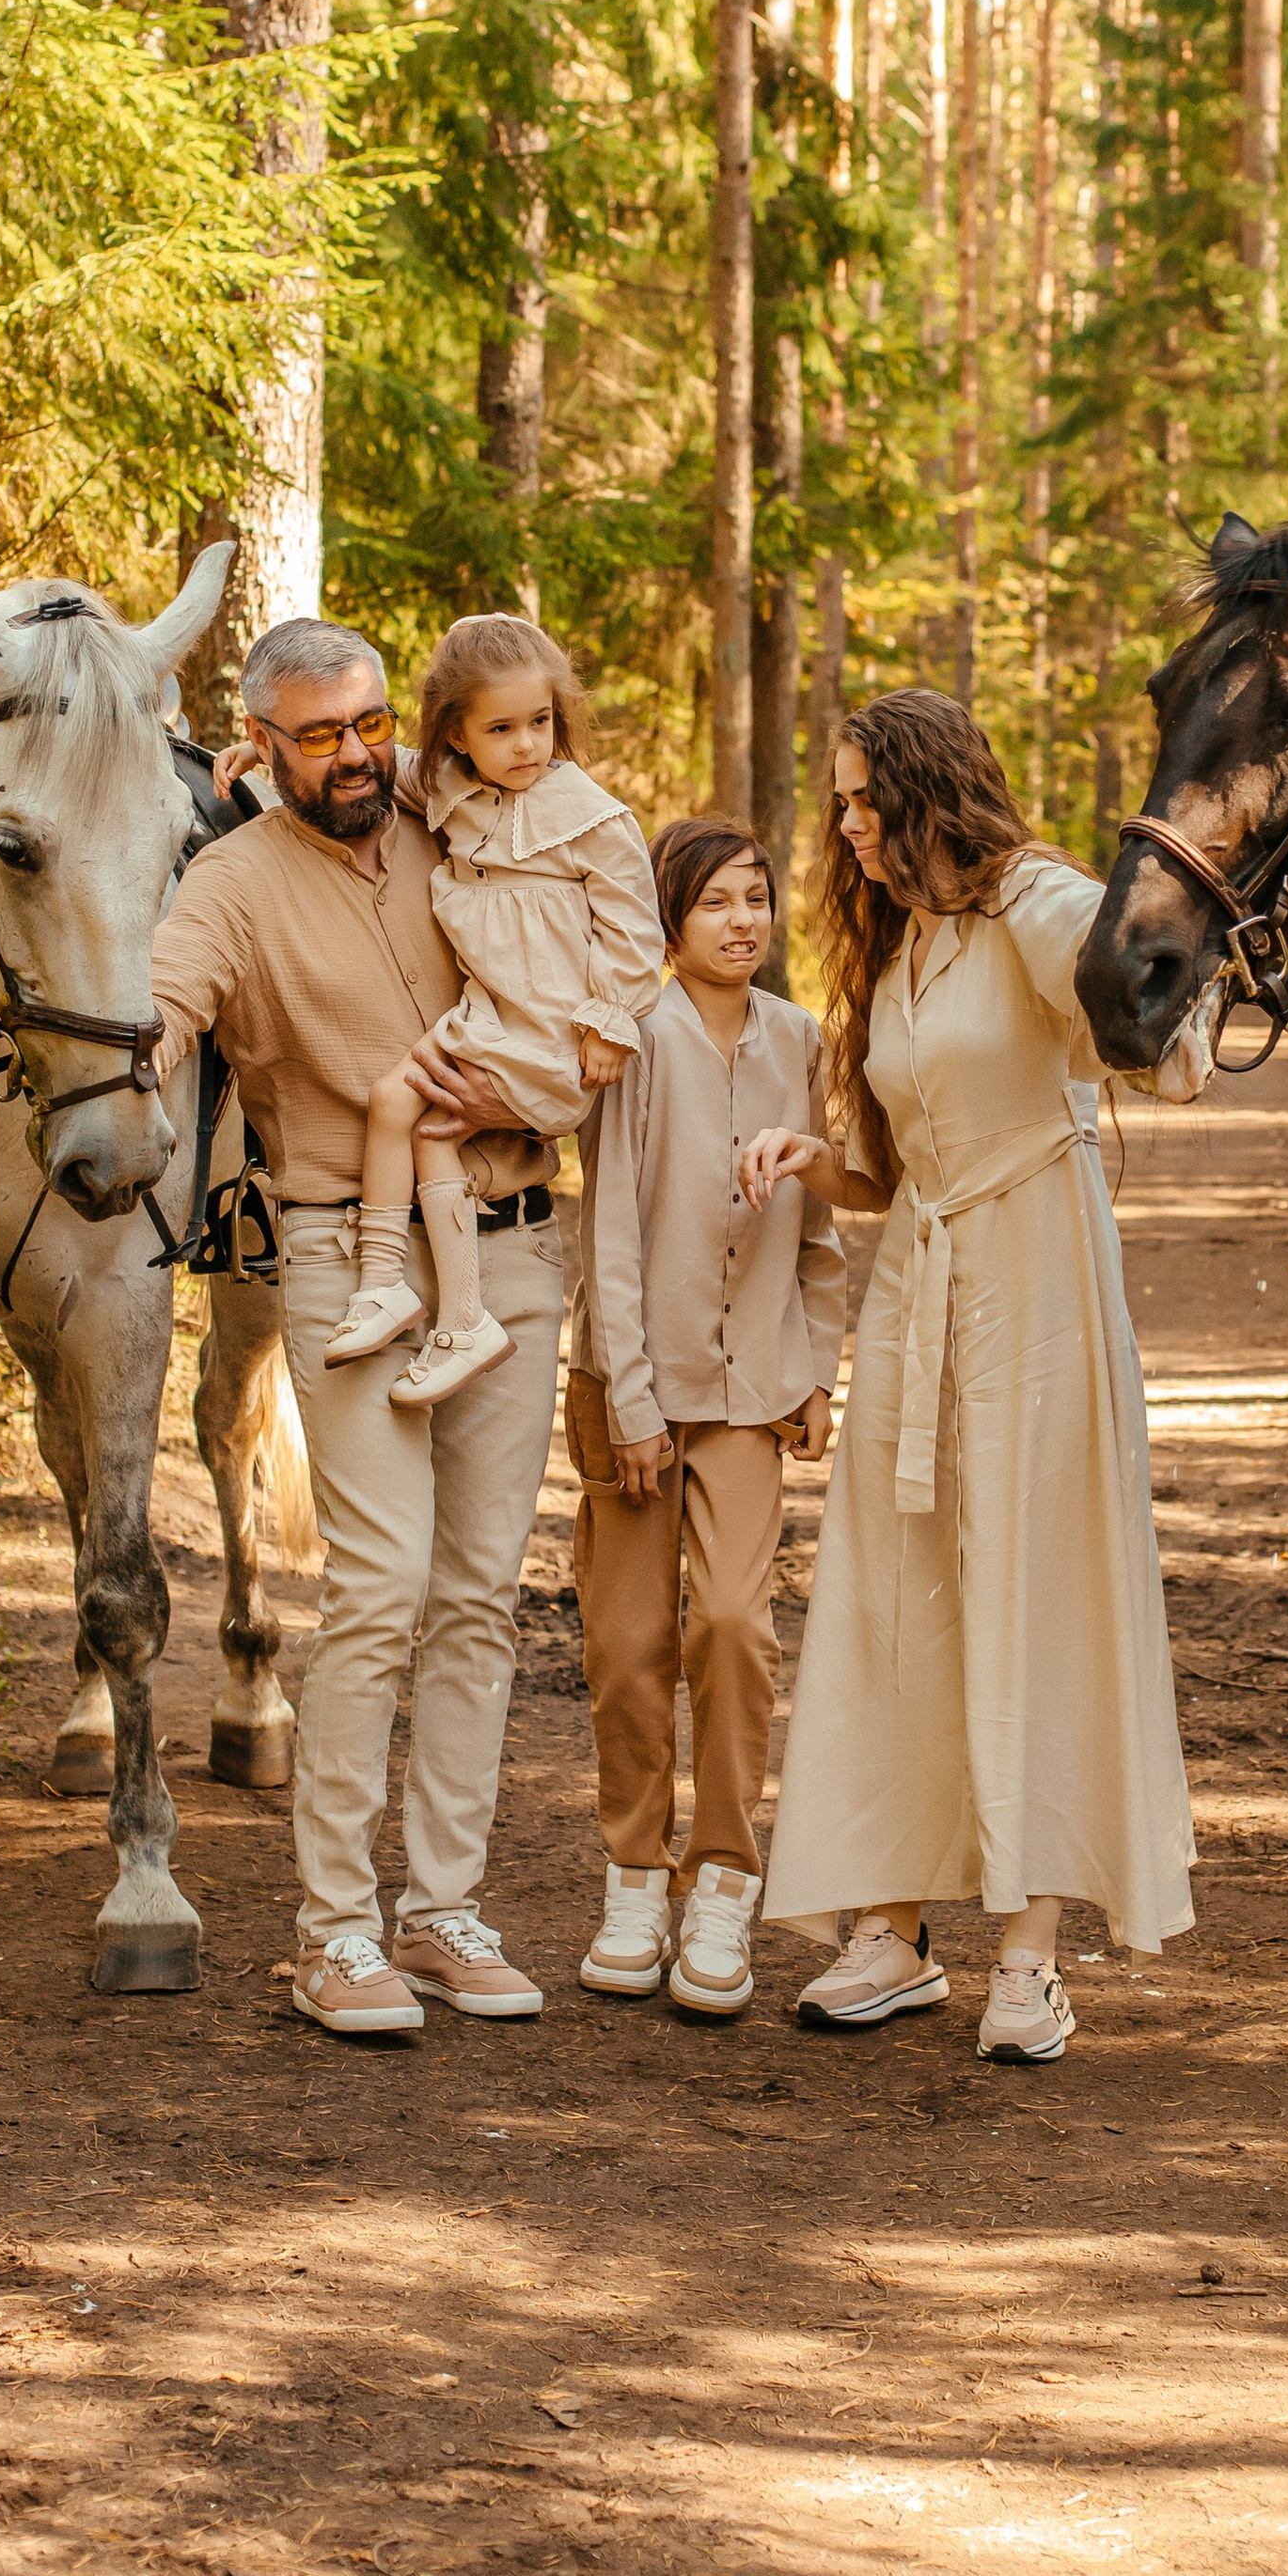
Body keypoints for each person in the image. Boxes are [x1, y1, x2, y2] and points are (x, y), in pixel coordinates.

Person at [737, 690, 1203, 2068]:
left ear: (934, 792)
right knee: (896, 1588)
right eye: (839, 803)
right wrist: (808, 1159)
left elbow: (1149, 1019)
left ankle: (1030, 1952)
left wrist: (1181, 956)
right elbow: (890, 1174)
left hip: (1039, 1285)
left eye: (868, 800)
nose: (850, 826)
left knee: (1030, 1583)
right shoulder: (897, 951)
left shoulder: (1039, 907)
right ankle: (888, 1929)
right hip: (923, 1287)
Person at [149, 617, 575, 2041]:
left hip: (515, 1255)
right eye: (320, 734)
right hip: (348, 1261)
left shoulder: (463, 818)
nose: (355, 755)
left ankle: (442, 1908)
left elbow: (588, 854)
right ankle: (335, 1933)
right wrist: (133, 1056)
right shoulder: (229, 879)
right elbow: (167, 997)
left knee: (477, 1597)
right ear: (259, 744)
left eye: (372, 723)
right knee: (382, 1589)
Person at [218, 614, 662, 1410]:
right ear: (458, 734)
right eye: (502, 729)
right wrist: (274, 752)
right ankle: (394, 1288)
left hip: (553, 1036)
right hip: (489, 1022)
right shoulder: (448, 788)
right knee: (400, 1105)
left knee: (424, 1125)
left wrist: (610, 1021)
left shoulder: (590, 814)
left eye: (541, 723)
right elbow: (369, 763)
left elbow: (635, 926)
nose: (527, 745)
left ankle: (452, 1315)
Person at [566, 818, 846, 2018]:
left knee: (734, 1625)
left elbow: (822, 1225)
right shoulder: (635, 1040)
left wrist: (815, 1364)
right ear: (671, 919)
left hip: (751, 1393)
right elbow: (610, 1232)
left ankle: (723, 1879)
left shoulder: (802, 1041)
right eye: (717, 903)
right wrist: (629, 1400)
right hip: (632, 1387)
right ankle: (635, 1875)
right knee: (626, 1648)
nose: (742, 922)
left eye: (758, 900)